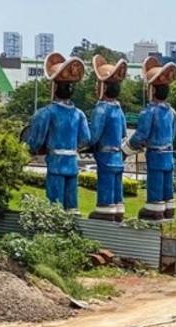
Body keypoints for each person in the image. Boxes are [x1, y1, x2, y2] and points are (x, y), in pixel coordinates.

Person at [25, 52, 91, 215]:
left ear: (53, 87)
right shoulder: (79, 114)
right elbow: (86, 139)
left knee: (55, 205)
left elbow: (35, 141)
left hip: (55, 163)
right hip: (72, 163)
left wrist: (30, 151)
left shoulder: (46, 113)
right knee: (72, 206)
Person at [124, 57, 176, 221]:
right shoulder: (172, 112)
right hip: (169, 153)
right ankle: (169, 208)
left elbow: (141, 135)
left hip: (155, 153)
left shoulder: (148, 112)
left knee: (155, 181)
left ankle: (154, 208)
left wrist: (126, 149)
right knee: (168, 182)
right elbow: (173, 134)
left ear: (152, 90)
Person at [88, 55, 128, 221]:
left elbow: (93, 136)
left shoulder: (101, 109)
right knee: (117, 189)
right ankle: (118, 211)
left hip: (105, 156)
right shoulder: (118, 109)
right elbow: (125, 132)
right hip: (118, 156)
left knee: (106, 186)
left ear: (103, 87)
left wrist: (82, 143)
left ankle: (105, 213)